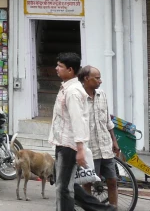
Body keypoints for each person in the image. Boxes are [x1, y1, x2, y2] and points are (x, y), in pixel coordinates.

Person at [49, 52, 114, 211]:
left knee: (63, 188)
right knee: (63, 184)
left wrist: (80, 149)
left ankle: (104, 210)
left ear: (70, 70)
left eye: (60, 66)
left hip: (69, 145)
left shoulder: (73, 92)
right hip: (63, 142)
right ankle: (103, 209)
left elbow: (78, 120)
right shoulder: (68, 87)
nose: (56, 69)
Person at [79, 66, 121, 207]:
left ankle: (113, 209)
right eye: (97, 78)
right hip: (90, 149)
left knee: (112, 181)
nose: (100, 81)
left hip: (105, 146)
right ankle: (91, 209)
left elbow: (108, 121)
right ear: (86, 78)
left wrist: (114, 141)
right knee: (88, 182)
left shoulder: (101, 95)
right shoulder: (78, 98)